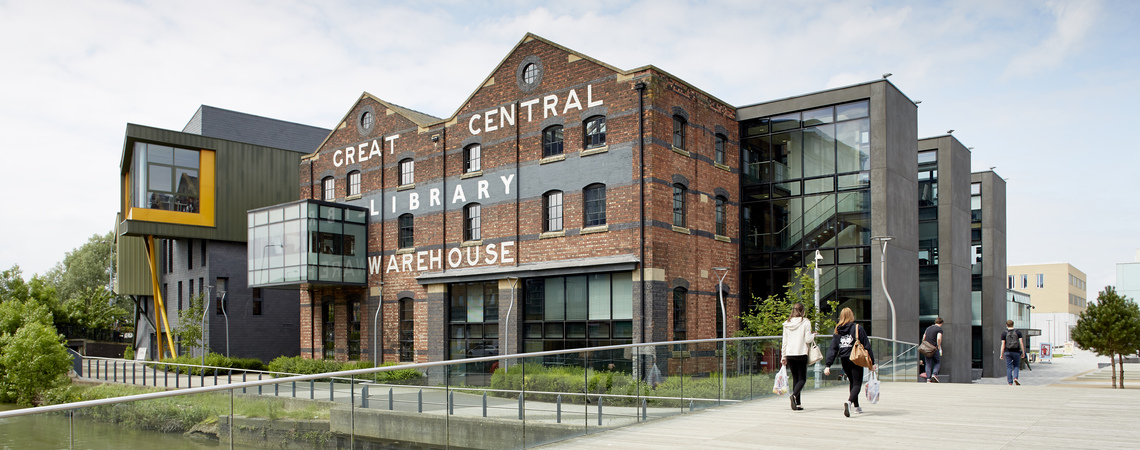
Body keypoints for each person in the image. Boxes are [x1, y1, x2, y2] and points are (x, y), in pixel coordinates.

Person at [824, 307, 877, 417]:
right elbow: (867, 345)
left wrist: (828, 365)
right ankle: (849, 402)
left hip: (844, 360)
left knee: (852, 382)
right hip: (856, 359)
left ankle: (856, 407)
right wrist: (872, 362)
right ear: (851, 316)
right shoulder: (857, 328)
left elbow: (833, 348)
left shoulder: (837, 330)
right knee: (857, 383)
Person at [780, 302, 814, 411]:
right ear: (803, 311)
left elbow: (784, 342)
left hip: (790, 354)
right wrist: (814, 335)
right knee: (802, 379)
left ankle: (798, 404)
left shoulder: (787, 323)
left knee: (795, 378)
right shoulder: (805, 322)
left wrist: (783, 356)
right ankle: (794, 396)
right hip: (801, 353)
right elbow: (808, 339)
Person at [1001, 320, 1026, 385]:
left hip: (1007, 351)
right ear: (1013, 324)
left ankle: (1010, 382)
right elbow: (1021, 343)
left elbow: (1003, 344)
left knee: (1009, 367)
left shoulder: (1004, 333)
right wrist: (1023, 352)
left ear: (1006, 325)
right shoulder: (1018, 332)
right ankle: (1015, 378)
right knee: (1016, 365)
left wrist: (1001, 354)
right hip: (1016, 351)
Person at [922, 318, 944, 383]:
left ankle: (928, 379)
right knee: (937, 362)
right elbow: (938, 339)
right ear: (941, 323)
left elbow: (924, 338)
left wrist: (924, 345)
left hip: (927, 348)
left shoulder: (928, 328)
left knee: (928, 363)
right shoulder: (939, 329)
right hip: (934, 348)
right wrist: (939, 347)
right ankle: (934, 374)